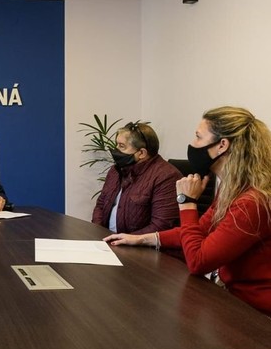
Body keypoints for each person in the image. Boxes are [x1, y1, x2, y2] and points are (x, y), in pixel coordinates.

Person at [105, 106, 271, 316]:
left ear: (222, 145)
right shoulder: (234, 190)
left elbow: (198, 261)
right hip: (234, 299)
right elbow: (200, 229)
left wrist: (187, 202)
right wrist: (142, 239)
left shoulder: (252, 201)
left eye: (198, 137)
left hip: (256, 314)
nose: (193, 144)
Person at [92, 122, 182, 234]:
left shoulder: (166, 177)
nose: (116, 150)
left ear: (141, 153)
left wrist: (124, 240)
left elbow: (161, 225)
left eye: (121, 146)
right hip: (106, 239)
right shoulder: (115, 170)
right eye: (117, 144)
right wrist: (98, 232)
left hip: (139, 243)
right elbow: (101, 204)